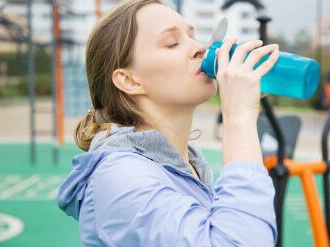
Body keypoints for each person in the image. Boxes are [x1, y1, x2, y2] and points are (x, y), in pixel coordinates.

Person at [56, 0, 280, 246]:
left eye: (193, 37)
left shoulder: (188, 165)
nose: (199, 48)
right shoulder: (119, 176)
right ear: (130, 80)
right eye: (172, 43)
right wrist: (238, 116)